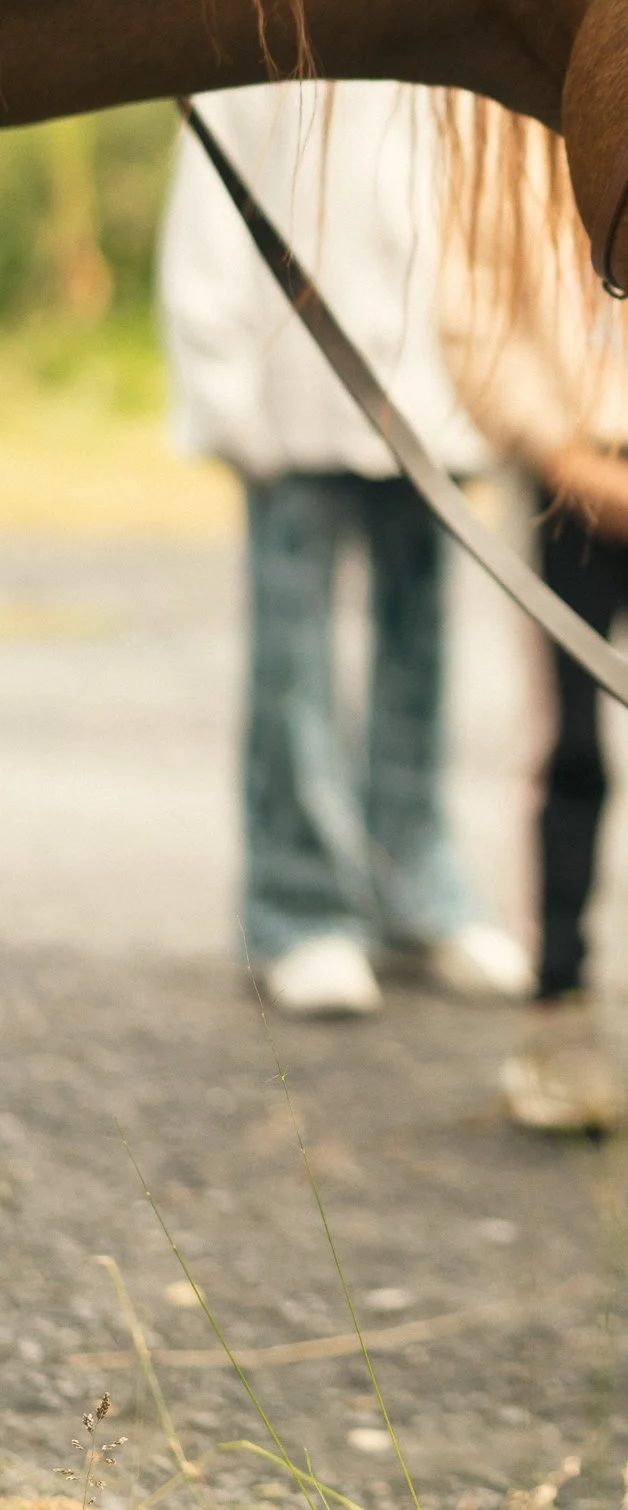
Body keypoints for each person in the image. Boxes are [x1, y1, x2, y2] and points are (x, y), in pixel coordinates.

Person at [159, 83, 532, 1017]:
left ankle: (419, 891)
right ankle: (300, 910)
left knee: (423, 660)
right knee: (296, 668)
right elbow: (211, 206)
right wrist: (223, 393)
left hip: (430, 407)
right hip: (293, 403)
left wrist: (494, 388)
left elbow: (477, 219)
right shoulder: (253, 57)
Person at [439, 130, 628, 1130]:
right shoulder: (509, 147)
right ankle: (559, 999)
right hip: (569, 476)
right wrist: (561, 456)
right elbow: (476, 312)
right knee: (571, 749)